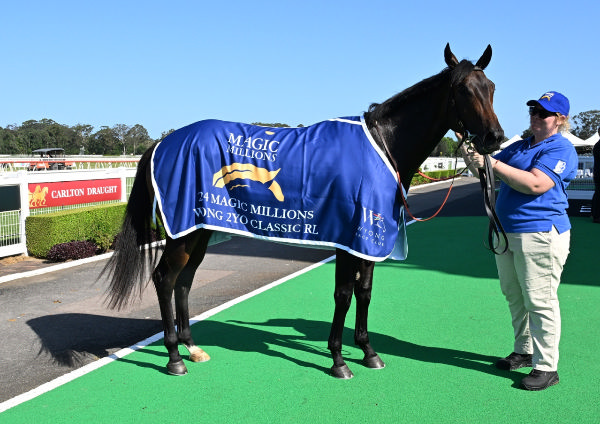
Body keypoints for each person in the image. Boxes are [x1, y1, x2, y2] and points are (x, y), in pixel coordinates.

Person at [461, 91, 578, 391]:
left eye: (544, 113)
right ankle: (524, 350)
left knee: (540, 300)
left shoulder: (561, 148)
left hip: (540, 233)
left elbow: (536, 184)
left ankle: (547, 366)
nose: (536, 116)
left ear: (560, 120)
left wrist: (492, 163)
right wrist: (469, 153)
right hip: (507, 232)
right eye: (534, 111)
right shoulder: (521, 147)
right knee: (514, 294)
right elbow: (484, 170)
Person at [592, 127, 600, 223]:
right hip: (599, 174)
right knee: (598, 194)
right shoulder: (598, 146)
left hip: (598, 173)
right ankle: (596, 216)